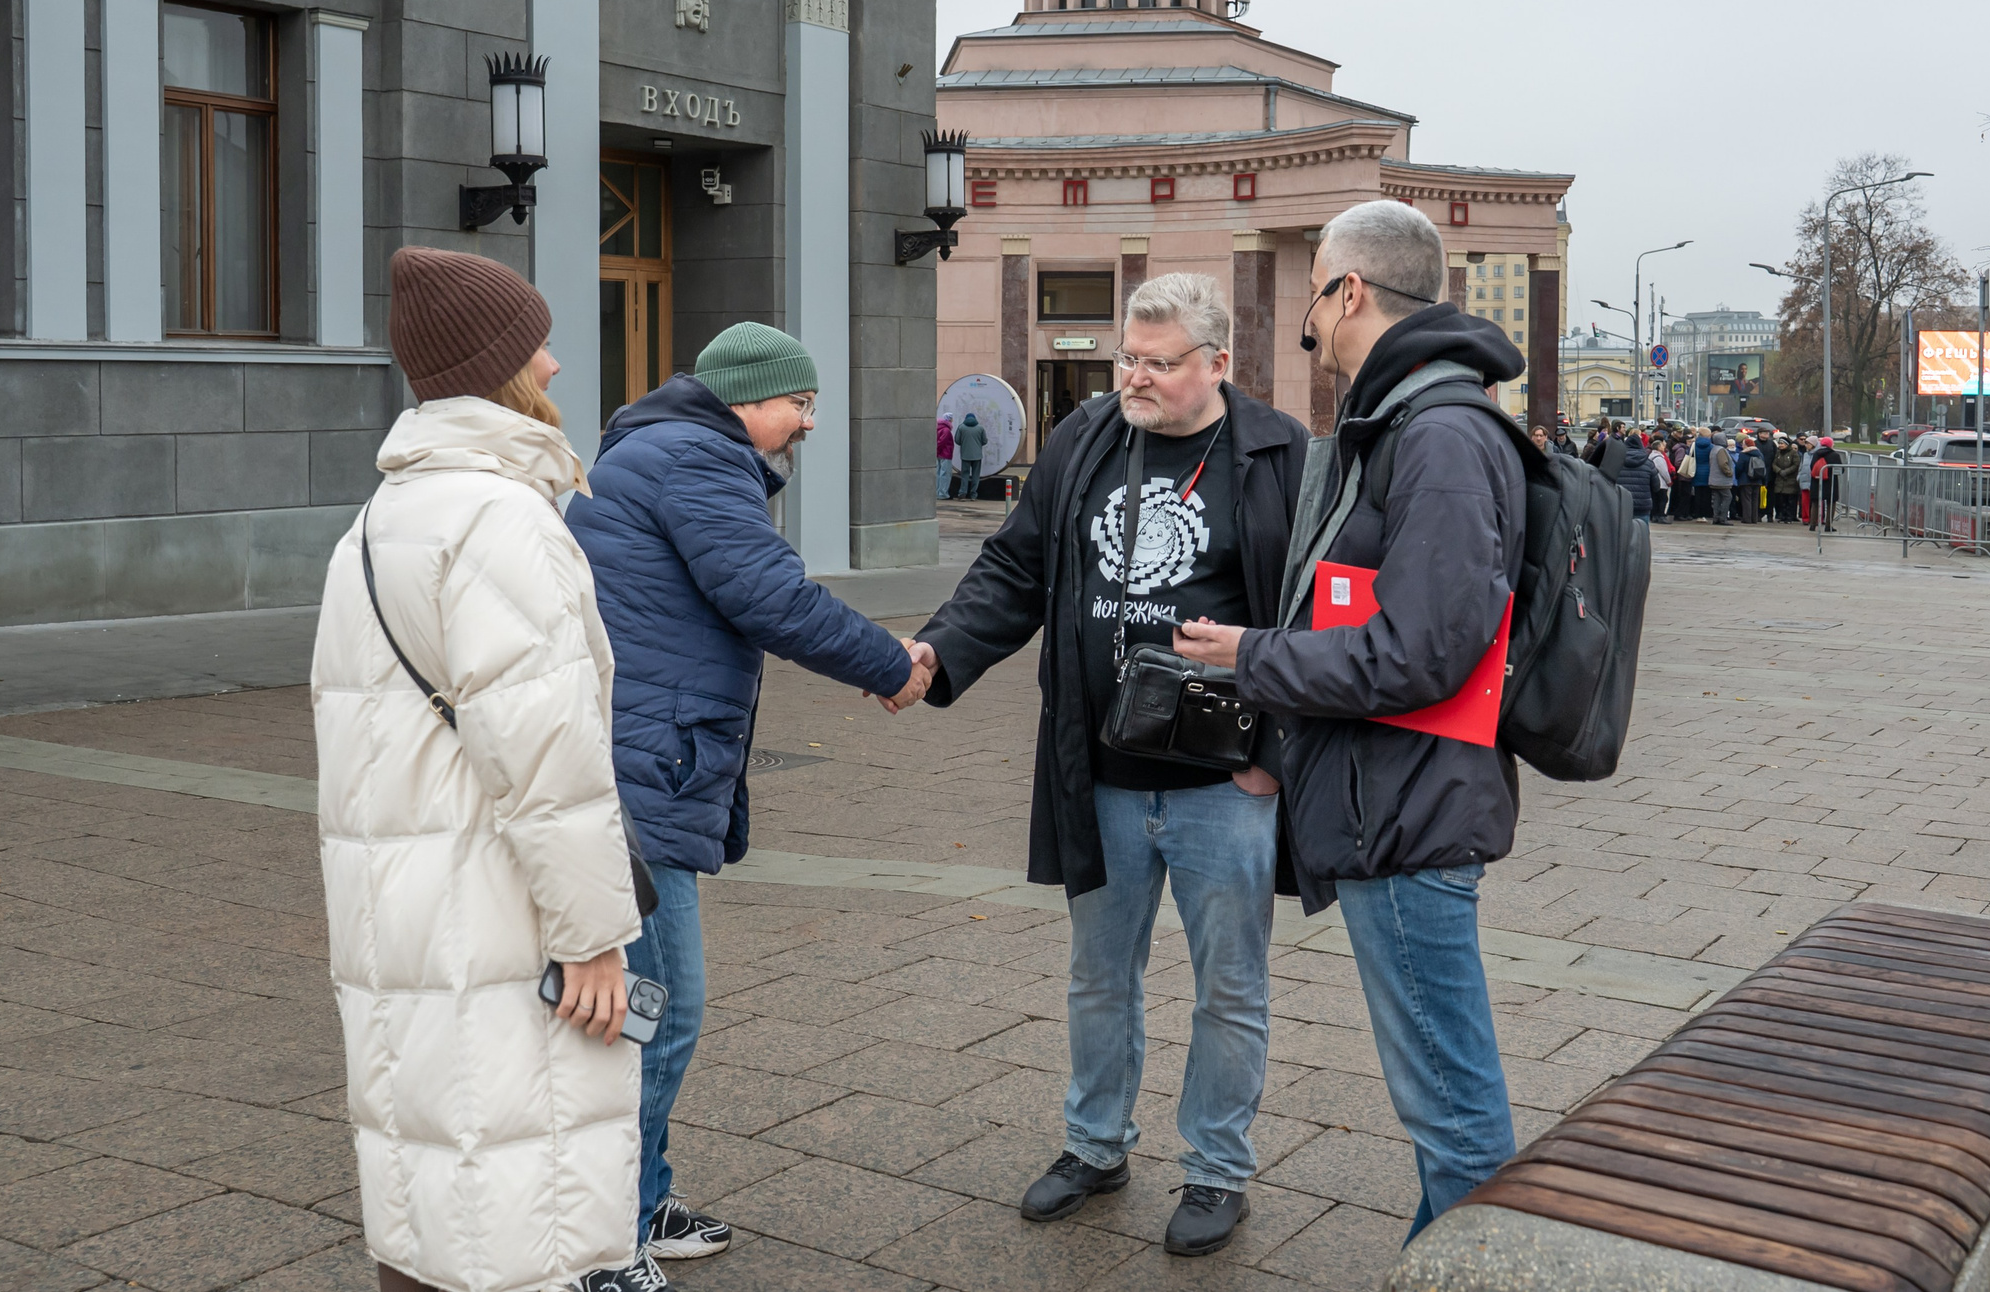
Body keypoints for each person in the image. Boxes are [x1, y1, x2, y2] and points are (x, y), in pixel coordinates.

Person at [915, 274, 1306, 1257]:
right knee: (1098, 977)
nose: (1134, 376)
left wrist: (1271, 759)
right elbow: (1013, 567)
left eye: (1159, 363)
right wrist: (937, 652)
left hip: (1224, 781)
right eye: (1128, 357)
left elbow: (1311, 615)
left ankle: (1216, 1170)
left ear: (1217, 363)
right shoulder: (1086, 438)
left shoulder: (1277, 454)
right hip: (1098, 772)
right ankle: (1094, 1147)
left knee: (1230, 988)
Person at [1174, 199, 1523, 1237]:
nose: (1309, 325)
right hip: (1398, 799)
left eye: (1314, 296)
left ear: (1351, 290)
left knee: (1455, 1117)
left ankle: (1477, 1265)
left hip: (1405, 815)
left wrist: (1252, 656)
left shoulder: (1438, 434)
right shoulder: (1413, 421)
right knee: (1444, 1106)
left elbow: (1420, 650)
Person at [567, 322, 935, 1286]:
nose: (808, 423)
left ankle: (640, 1198)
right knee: (655, 1012)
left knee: (638, 1008)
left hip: (640, 752)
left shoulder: (658, 448)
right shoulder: (696, 458)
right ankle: (602, 1239)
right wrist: (891, 663)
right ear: (745, 399)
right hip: (641, 766)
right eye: (798, 404)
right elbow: (771, 598)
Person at [314, 247, 644, 1292]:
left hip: (400, 906)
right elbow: (549, 761)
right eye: (533, 344)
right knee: (522, 1190)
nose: (553, 363)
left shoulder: (378, 520)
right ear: (494, 369)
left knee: (428, 1173)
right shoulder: (501, 519)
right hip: (493, 906)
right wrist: (592, 937)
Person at [1615, 428, 1654, 522]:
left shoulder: (1616, 462)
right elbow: (1656, 486)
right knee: (1642, 529)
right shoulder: (1648, 463)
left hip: (1621, 503)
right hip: (1642, 504)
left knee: (1622, 529)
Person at [957, 407, 989, 501]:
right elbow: (984, 441)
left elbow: (957, 440)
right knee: (975, 476)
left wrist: (964, 443)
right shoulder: (980, 428)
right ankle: (973, 495)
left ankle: (962, 494)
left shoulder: (961, 427)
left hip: (965, 455)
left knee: (964, 475)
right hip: (977, 456)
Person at [1770, 432, 1802, 522]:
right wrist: (1779, 471)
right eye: (1779, 443)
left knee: (1790, 500)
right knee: (1781, 500)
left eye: (1782, 444)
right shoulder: (1778, 453)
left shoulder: (1793, 453)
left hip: (1790, 480)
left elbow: (1796, 465)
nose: (1780, 445)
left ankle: (1790, 516)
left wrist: (1786, 472)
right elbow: (1774, 464)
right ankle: (1782, 515)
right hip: (1780, 479)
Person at [1646, 433, 1673, 523]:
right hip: (1661, 482)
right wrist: (1668, 481)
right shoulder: (1659, 458)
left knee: (1655, 499)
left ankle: (1655, 516)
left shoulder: (1651, 456)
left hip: (1654, 482)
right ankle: (1661, 515)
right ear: (1658, 447)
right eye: (1662, 445)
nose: (1664, 446)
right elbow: (1664, 471)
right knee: (1663, 499)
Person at [937, 411, 959, 499]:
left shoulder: (938, 428)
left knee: (938, 473)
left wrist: (936, 452)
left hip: (939, 455)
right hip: (945, 454)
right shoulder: (946, 430)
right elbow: (941, 442)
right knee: (945, 474)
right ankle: (943, 493)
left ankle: (938, 492)